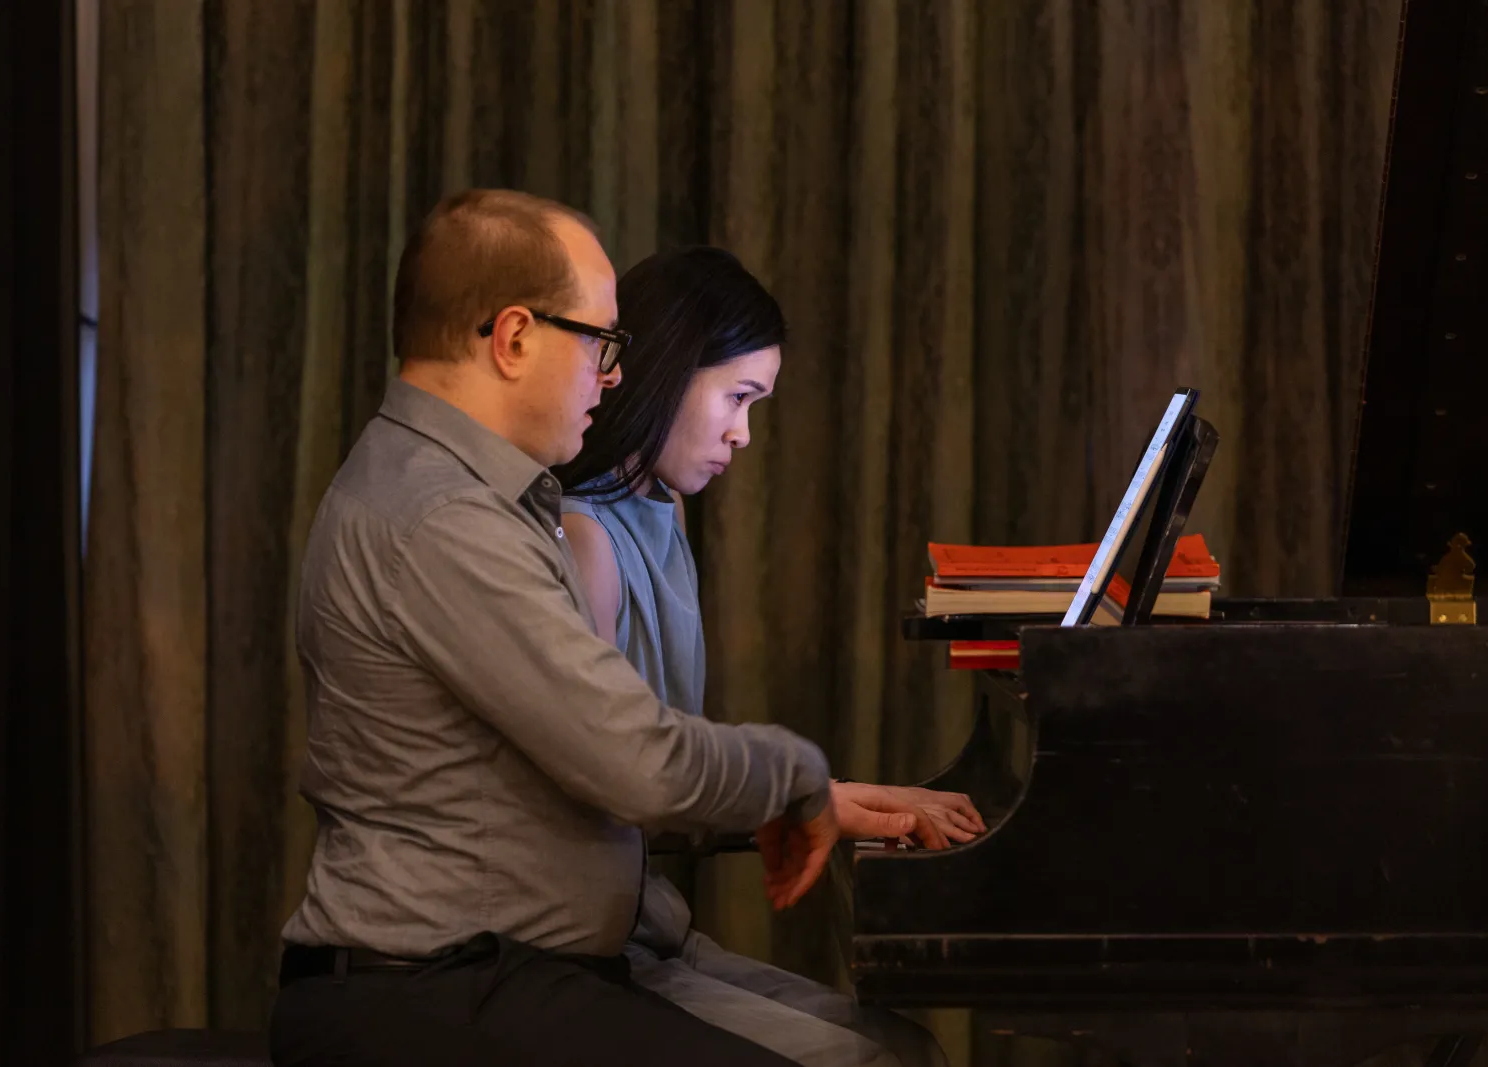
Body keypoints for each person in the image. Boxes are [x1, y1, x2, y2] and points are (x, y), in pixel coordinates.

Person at [270, 191, 848, 1067]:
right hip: (429, 987)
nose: (614, 375)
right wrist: (797, 774)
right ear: (512, 338)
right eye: (600, 343)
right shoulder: (444, 519)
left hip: (493, 974)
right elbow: (639, 764)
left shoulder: (467, 496)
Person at [554, 246, 984, 1067]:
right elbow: (617, 781)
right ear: (670, 371)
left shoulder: (663, 511)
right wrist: (831, 800)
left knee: (905, 1046)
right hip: (593, 946)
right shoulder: (583, 537)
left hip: (653, 923)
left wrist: (836, 796)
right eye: (737, 397)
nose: (742, 433)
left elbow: (673, 750)